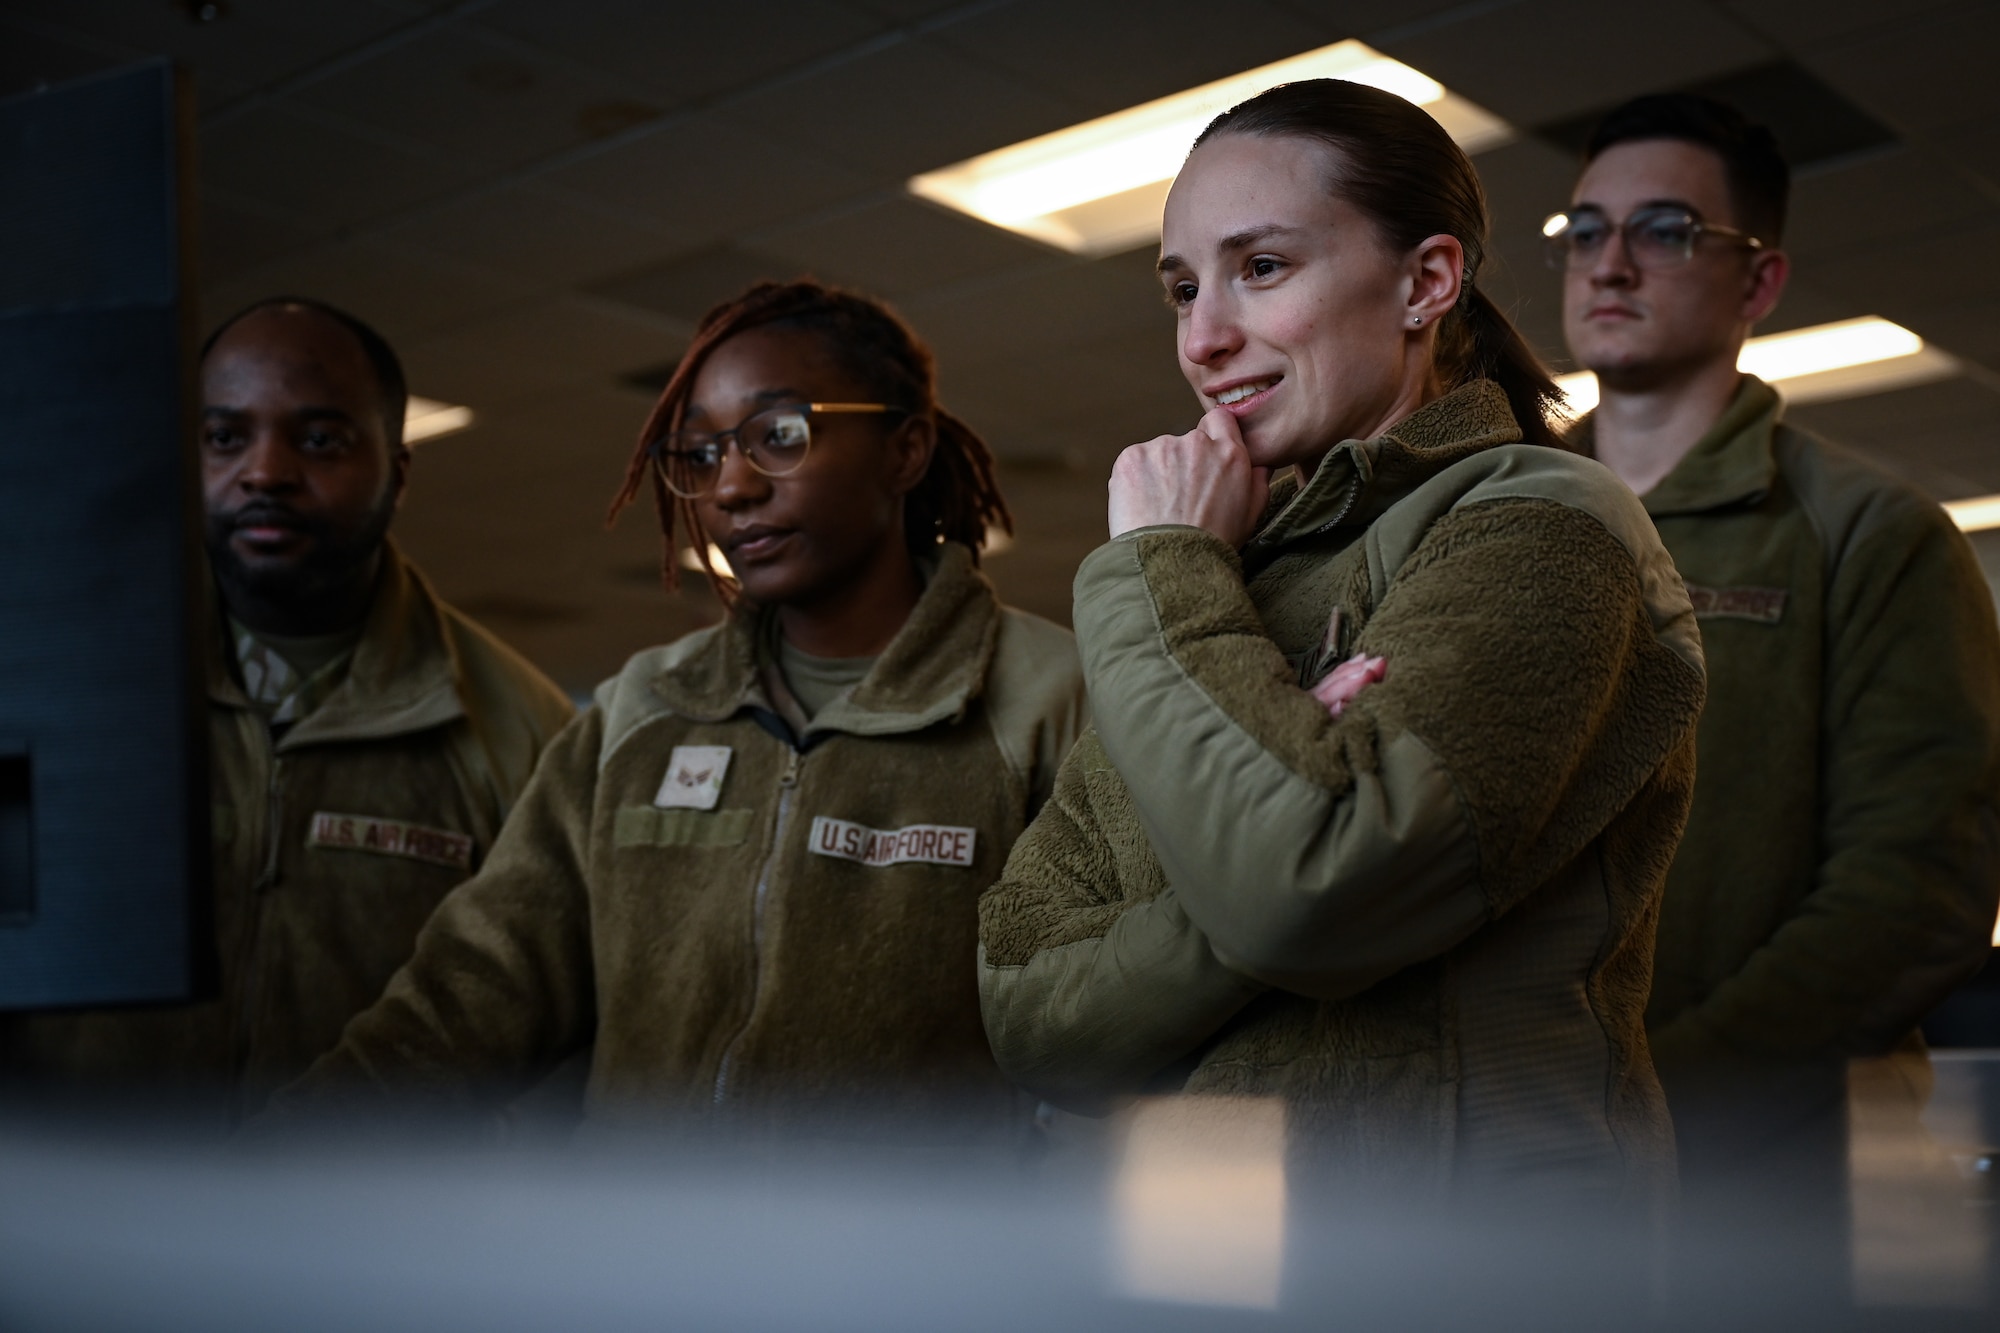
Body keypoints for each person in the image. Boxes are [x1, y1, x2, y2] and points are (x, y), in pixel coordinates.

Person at [976, 79, 1707, 1206]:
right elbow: (1028, 1010)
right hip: (1205, 1241)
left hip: (1467, 1258)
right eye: (1181, 288)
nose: (1202, 338)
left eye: (1259, 268)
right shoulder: (1229, 573)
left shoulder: (1543, 524)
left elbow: (1301, 897)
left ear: (1425, 281)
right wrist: (1255, 848)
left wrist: (1162, 569)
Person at [267, 280, 1086, 1139]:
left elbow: (1104, 1049)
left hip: (912, 1269)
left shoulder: (1046, 698)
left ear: (905, 449)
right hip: (639, 1269)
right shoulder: (642, 711)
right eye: (699, 454)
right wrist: (271, 1173)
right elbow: (467, 995)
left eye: (779, 436)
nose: (730, 487)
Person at [1548, 94, 2000, 1237]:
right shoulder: (1484, 518)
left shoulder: (1866, 532)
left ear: (1757, 283)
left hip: (1775, 1193)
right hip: (1515, 1172)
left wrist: (1647, 1107)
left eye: (1662, 230)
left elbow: (1912, 895)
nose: (1608, 263)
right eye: (1584, 228)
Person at [0, 298, 575, 1125]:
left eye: (319, 439)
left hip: (358, 1241)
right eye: (225, 437)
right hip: (82, 1217)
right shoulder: (60, 685)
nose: (265, 471)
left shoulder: (518, 727)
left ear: (398, 472)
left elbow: (546, 1047)